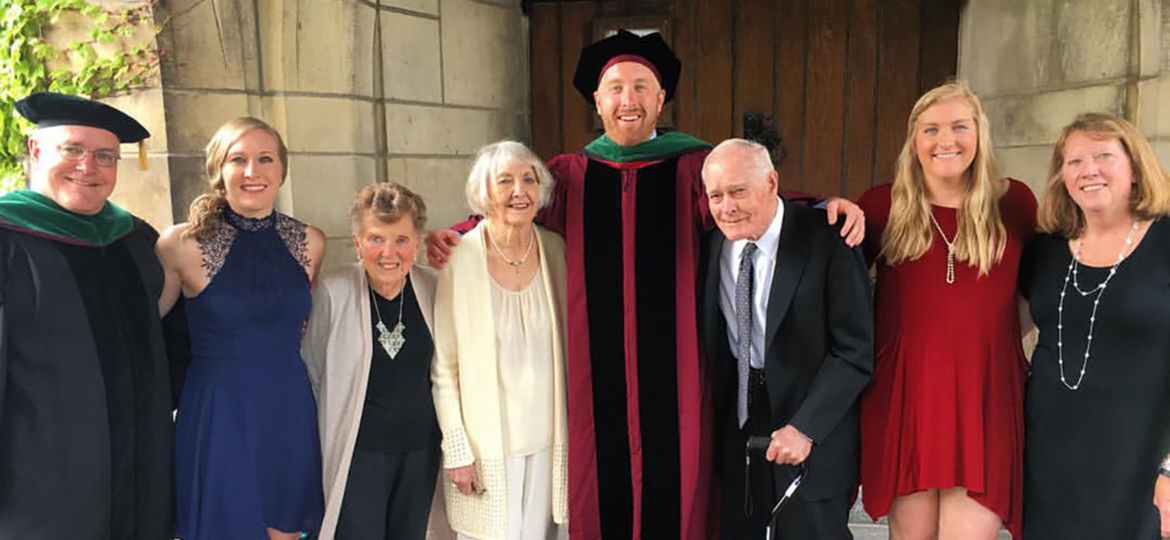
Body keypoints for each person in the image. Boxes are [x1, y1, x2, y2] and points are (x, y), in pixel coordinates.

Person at [426, 30, 863, 540]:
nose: (627, 100)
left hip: (677, 375)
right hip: (597, 377)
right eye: (615, 88)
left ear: (660, 100)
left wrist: (823, 207)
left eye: (640, 87)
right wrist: (456, 234)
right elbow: (509, 209)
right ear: (597, 100)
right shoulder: (570, 174)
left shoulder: (692, 168)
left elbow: (753, 204)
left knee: (676, 493)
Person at [856, 81, 1036, 540]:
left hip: (985, 393)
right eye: (930, 129)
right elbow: (833, 285)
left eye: (960, 126)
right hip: (906, 394)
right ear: (914, 141)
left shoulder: (1014, 203)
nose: (946, 141)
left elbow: (1044, 292)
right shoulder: (882, 205)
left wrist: (991, 342)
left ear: (980, 134)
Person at [0, 92, 173, 539]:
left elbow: (172, 344)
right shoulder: (7, 241)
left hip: (141, 477)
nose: (88, 166)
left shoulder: (134, 239)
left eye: (104, 156)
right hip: (42, 485)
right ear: (36, 151)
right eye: (72, 149)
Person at [157, 117, 326, 540]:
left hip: (288, 407)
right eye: (238, 160)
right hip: (218, 412)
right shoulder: (179, 245)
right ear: (219, 171)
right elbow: (148, 335)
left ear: (282, 170)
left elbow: (303, 324)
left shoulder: (310, 242)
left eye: (264, 159)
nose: (253, 172)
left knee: (286, 527)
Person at [699, 139, 873, 539]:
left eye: (739, 191)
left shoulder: (829, 238)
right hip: (739, 430)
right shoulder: (712, 245)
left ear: (772, 183)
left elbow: (854, 351)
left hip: (814, 429)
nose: (727, 206)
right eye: (716, 195)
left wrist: (806, 427)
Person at [1021, 112, 1170, 540]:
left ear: (1136, 169)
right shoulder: (1046, 250)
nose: (1089, 170)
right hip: (1050, 460)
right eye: (1074, 161)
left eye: (1104, 155)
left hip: (1144, 459)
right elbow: (999, 338)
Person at [431, 141, 567, 540]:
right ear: (484, 193)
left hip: (549, 442)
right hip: (488, 447)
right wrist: (457, 449)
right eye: (505, 181)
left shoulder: (556, 252)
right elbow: (444, 369)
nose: (519, 191)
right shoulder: (458, 259)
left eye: (529, 179)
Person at [302, 182, 453, 540]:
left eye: (401, 239)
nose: (388, 252)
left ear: (417, 244)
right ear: (358, 244)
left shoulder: (435, 288)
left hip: (421, 454)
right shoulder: (333, 293)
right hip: (358, 454)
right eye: (375, 239)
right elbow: (311, 374)